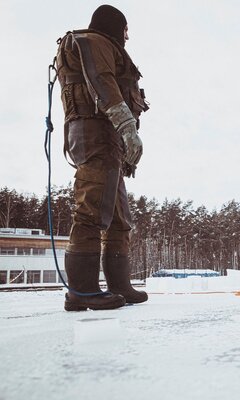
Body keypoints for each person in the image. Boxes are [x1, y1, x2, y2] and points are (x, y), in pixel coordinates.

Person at [56, 5, 149, 311]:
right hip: (94, 135)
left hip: (110, 142)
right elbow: (102, 82)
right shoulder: (93, 42)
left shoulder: (107, 47)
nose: (128, 35)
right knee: (92, 211)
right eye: (125, 29)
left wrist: (126, 145)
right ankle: (81, 291)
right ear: (114, 26)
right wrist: (126, 125)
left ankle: (119, 286)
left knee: (120, 219)